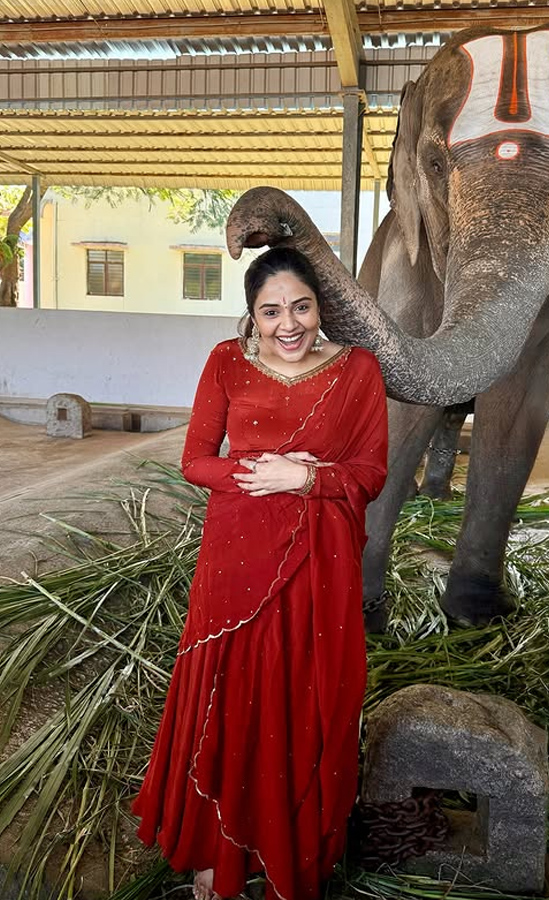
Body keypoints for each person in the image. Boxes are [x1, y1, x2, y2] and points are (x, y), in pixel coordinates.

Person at [133, 247, 388, 900]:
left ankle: (287, 844)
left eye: (300, 307)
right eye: (271, 311)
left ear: (320, 307)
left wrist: (306, 477)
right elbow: (195, 460)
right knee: (232, 693)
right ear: (252, 315)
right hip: (235, 561)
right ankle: (216, 847)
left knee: (299, 693)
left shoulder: (358, 371)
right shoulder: (226, 361)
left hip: (316, 567)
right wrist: (262, 472)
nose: (288, 325)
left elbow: (371, 472)